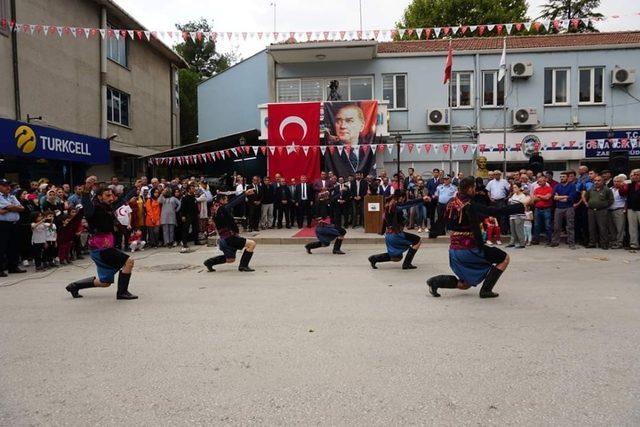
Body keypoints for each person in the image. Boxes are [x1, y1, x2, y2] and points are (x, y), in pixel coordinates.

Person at [427, 176, 525, 299]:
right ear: (469, 189)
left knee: (465, 285)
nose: (475, 190)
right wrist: (520, 206)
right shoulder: (469, 204)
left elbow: (442, 221)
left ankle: (435, 282)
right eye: (474, 188)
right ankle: (486, 290)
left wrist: (433, 233)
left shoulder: (451, 203)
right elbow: (494, 211)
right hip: (470, 249)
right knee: (504, 258)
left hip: (454, 251)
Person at [65, 179, 137, 300]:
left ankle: (74, 286)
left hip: (104, 248)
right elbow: (87, 208)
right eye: (107, 195)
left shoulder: (107, 207)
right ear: (99, 197)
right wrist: (87, 189)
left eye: (112, 195)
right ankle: (122, 293)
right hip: (101, 249)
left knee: (105, 282)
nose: (111, 197)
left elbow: (123, 200)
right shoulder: (93, 209)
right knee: (129, 262)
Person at [368, 190, 430, 270]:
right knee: (417, 240)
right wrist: (422, 199)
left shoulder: (389, 204)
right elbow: (408, 204)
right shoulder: (394, 206)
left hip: (390, 235)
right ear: (401, 197)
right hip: (396, 234)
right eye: (403, 198)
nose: (403, 200)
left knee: (397, 257)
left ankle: (374, 258)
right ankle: (407, 264)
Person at [203, 190, 257, 272]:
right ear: (221, 200)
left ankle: (209, 262)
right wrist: (245, 194)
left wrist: (244, 194)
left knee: (230, 259)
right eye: (226, 199)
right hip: (229, 238)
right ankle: (243, 266)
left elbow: (231, 202)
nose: (227, 200)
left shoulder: (215, 208)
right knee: (251, 244)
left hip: (224, 239)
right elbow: (233, 203)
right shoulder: (221, 209)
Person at [324, 103, 375, 178]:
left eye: (349, 121)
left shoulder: (369, 150)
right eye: (338, 121)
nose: (342, 126)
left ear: (362, 126)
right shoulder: (330, 152)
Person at [585, 175, 614, 249]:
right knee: (591, 227)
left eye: (598, 180)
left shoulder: (607, 190)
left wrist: (603, 205)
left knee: (602, 228)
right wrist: (589, 204)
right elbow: (586, 197)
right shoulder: (591, 189)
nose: (596, 182)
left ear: (603, 181)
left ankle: (604, 244)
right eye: (595, 180)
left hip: (602, 211)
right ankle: (592, 243)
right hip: (591, 211)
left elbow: (611, 200)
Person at [620, 169, 640, 250]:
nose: (634, 176)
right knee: (632, 228)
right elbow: (622, 193)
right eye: (633, 175)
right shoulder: (629, 183)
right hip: (631, 208)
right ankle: (634, 244)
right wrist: (622, 186)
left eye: (637, 174)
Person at [506, 182, 530, 249]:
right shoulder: (513, 195)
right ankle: (512, 243)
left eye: (515, 187)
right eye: (513, 187)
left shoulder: (523, 196)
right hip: (512, 215)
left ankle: (522, 243)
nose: (514, 189)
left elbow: (522, 205)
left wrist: (513, 203)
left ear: (519, 188)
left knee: (519, 230)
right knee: (512, 230)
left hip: (519, 215)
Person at [531, 175, 553, 245]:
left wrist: (539, 196)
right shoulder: (536, 189)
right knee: (536, 225)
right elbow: (534, 199)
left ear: (545, 181)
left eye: (540, 181)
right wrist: (543, 197)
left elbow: (548, 198)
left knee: (548, 225)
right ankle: (536, 240)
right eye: (538, 181)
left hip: (547, 209)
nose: (539, 182)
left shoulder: (549, 188)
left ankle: (549, 240)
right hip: (537, 209)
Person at [608, 174, 627, 249]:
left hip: (619, 210)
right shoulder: (610, 189)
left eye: (618, 181)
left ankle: (619, 243)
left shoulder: (623, 189)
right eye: (615, 181)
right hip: (610, 210)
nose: (616, 183)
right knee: (611, 228)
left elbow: (626, 201)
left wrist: (624, 210)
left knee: (620, 228)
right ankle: (613, 241)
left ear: (622, 182)